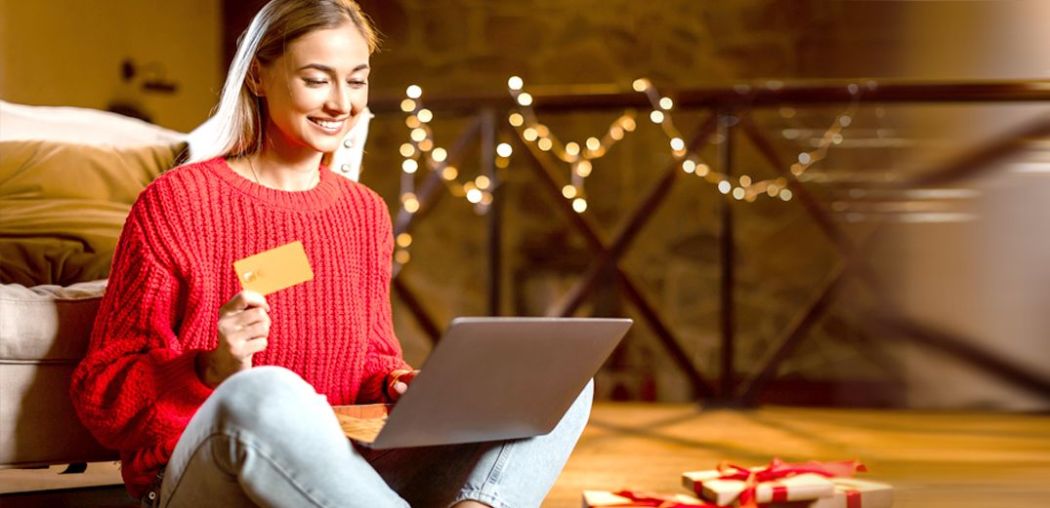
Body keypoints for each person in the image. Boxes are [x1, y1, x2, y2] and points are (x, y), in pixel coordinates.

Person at [70, 1, 593, 507]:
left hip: (349, 471)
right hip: (202, 475)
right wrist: (208, 368)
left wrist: (399, 383)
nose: (342, 103)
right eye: (317, 79)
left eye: (357, 79)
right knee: (266, 393)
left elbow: (372, 360)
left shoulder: (363, 212)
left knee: (563, 383)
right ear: (258, 77)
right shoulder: (177, 201)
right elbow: (100, 396)